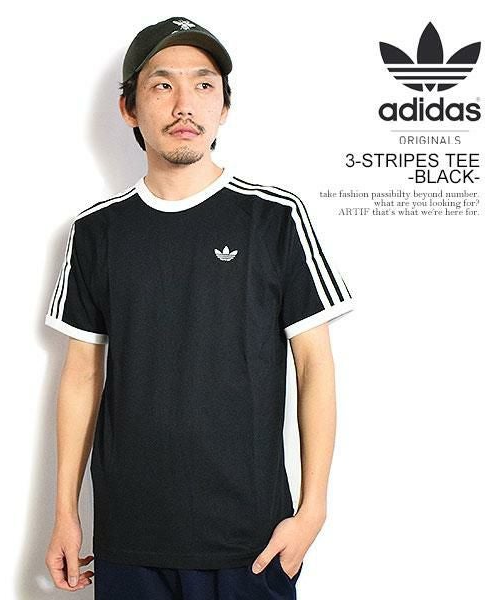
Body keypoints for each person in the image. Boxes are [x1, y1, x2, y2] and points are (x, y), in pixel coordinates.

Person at [44, 16, 355, 599]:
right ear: (129, 108)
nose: (184, 104)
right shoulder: (96, 232)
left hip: (251, 543)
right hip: (129, 541)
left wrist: (313, 510)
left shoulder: (274, 218)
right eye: (162, 84)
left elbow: (315, 365)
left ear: (225, 106)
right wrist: (64, 512)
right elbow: (81, 373)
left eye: (204, 84)